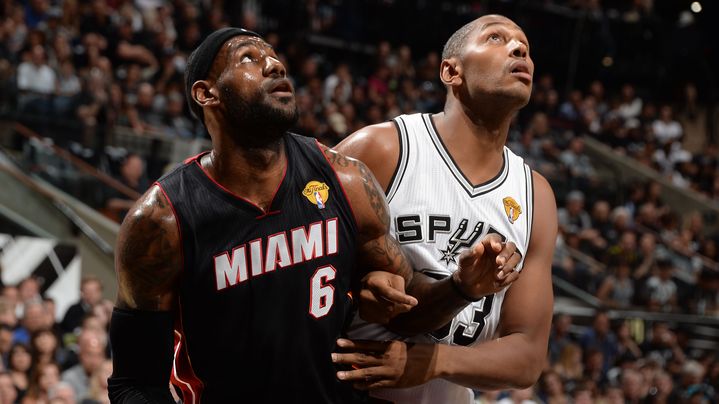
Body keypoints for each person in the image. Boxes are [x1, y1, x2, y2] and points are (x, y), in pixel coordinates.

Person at [107, 27, 423, 403]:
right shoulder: (161, 220)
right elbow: (135, 383)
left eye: (273, 56)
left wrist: (380, 283)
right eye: (248, 59)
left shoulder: (346, 178)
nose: (275, 65)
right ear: (207, 94)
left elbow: (403, 285)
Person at [332, 14, 557, 403]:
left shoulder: (535, 194)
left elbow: (527, 357)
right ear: (451, 71)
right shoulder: (382, 149)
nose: (519, 49)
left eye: (524, 46)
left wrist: (434, 361)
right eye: (495, 38)